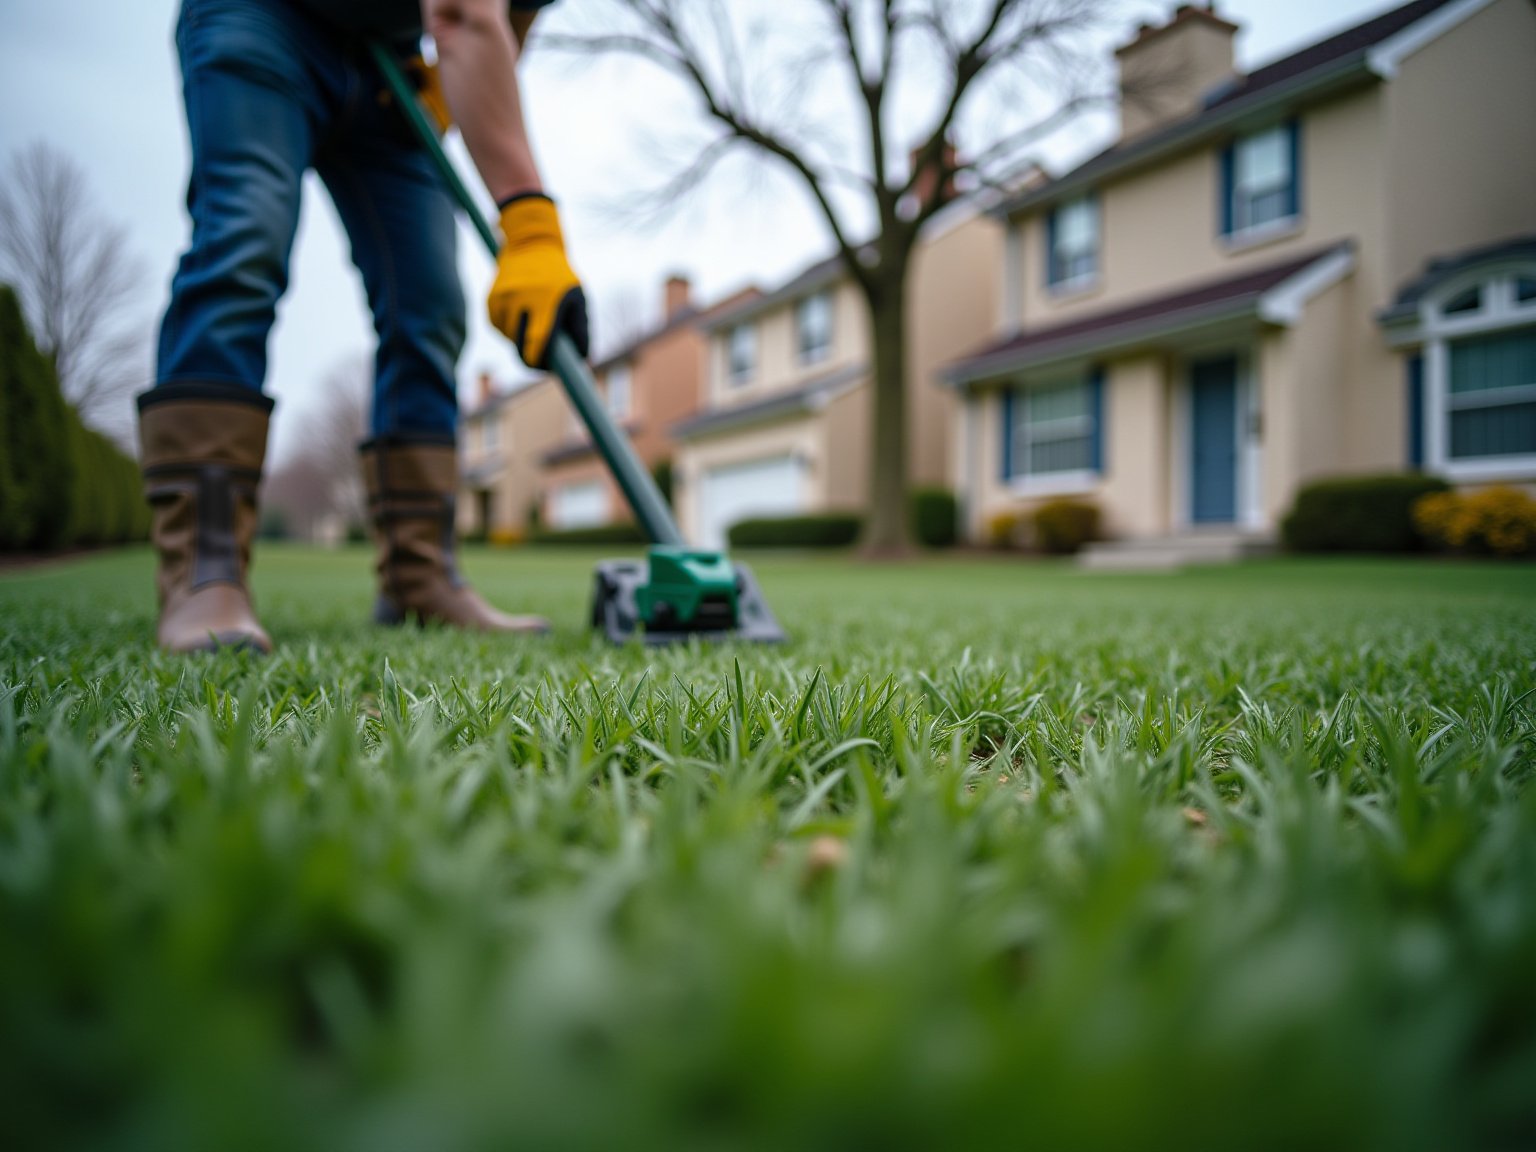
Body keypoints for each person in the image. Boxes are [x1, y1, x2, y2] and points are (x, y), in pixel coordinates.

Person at [139, 0, 588, 652]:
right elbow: (462, 13)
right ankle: (203, 573)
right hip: (259, 17)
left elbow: (510, 14)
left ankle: (420, 577)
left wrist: (444, 90)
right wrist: (530, 225)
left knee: (431, 301)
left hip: (389, 67)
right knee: (245, 242)